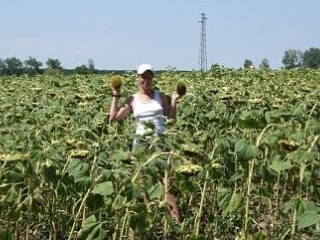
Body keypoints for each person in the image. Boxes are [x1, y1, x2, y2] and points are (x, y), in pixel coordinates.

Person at [109, 63, 181, 220]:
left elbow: (171, 120)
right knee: (144, 185)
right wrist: (116, 94)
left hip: (161, 144)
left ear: (152, 78)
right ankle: (150, 221)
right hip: (141, 147)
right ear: (137, 78)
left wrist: (174, 101)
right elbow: (113, 118)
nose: (146, 80)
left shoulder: (160, 96)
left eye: (149, 77)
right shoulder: (132, 100)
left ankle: (176, 223)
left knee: (166, 184)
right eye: (143, 77)